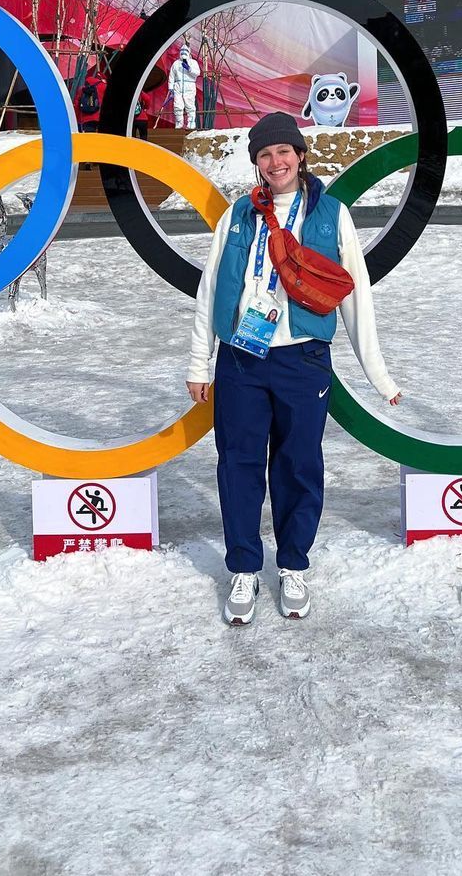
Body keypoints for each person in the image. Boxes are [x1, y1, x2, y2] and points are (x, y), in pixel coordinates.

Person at [186, 112, 401, 626]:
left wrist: (379, 374)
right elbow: (211, 290)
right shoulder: (237, 216)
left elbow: (356, 296)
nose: (275, 162)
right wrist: (200, 361)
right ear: (256, 163)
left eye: (284, 152)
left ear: (300, 156)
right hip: (242, 356)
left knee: (298, 464)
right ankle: (242, 568)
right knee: (238, 464)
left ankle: (292, 564)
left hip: (303, 358)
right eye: (264, 155)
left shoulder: (330, 214)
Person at [168, 43, 200, 129]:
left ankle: (191, 122)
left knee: (190, 105)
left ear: (189, 53)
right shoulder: (176, 64)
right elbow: (171, 76)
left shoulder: (193, 63)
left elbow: (197, 73)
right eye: (182, 52)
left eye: (185, 52)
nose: (183, 54)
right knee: (177, 106)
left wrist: (189, 69)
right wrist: (170, 88)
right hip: (178, 87)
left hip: (189, 87)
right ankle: (179, 123)